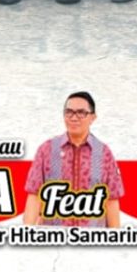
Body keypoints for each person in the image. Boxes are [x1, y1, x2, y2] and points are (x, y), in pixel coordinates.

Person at [22, 92, 122, 228]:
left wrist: (115, 237)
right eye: (69, 112)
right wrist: (27, 232)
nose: (74, 118)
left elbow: (111, 200)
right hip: (54, 238)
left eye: (81, 113)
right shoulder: (46, 150)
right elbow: (34, 195)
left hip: (92, 239)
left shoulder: (104, 153)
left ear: (93, 117)